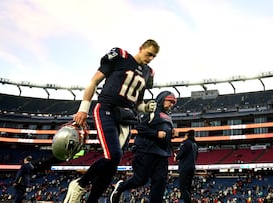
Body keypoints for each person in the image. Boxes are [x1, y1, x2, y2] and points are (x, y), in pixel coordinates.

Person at [64, 39, 160, 203]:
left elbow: (137, 103)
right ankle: (80, 184)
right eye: (149, 54)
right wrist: (83, 108)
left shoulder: (148, 73)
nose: (150, 58)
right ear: (141, 48)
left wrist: (146, 108)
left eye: (154, 56)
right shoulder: (121, 56)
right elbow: (94, 81)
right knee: (113, 155)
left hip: (126, 117)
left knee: (112, 166)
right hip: (107, 108)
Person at [110, 90, 177, 203]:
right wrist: (156, 134)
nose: (172, 104)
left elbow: (164, 133)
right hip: (146, 152)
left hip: (162, 154)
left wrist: (172, 133)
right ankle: (121, 187)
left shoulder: (168, 116)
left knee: (160, 182)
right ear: (162, 99)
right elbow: (138, 126)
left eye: (173, 103)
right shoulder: (151, 111)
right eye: (170, 101)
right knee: (140, 180)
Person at [175, 130, 198, 203]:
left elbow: (181, 153)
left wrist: (176, 157)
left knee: (183, 188)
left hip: (185, 168)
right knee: (188, 188)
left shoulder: (185, 143)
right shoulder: (195, 144)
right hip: (192, 167)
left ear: (187, 135)